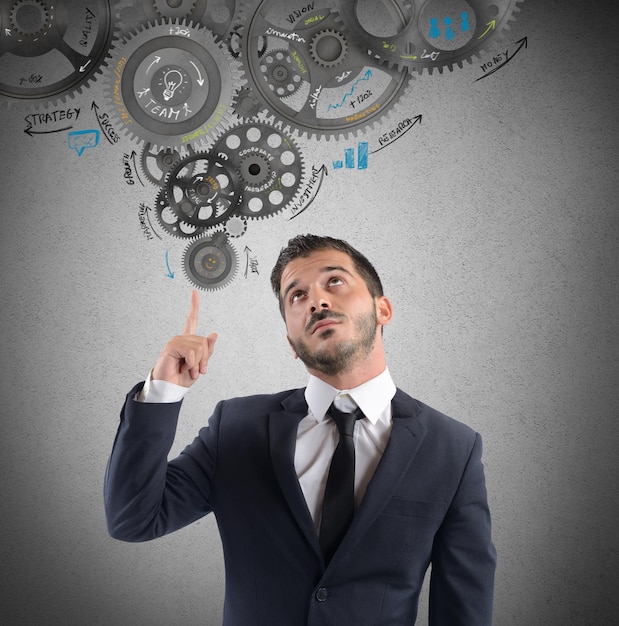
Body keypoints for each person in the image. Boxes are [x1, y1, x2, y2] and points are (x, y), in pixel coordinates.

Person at [104, 234, 496, 625]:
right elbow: (132, 518)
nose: (317, 301)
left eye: (335, 281)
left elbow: (463, 610)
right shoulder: (237, 428)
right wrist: (162, 390)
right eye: (296, 295)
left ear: (383, 309)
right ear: (291, 342)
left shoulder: (453, 450)